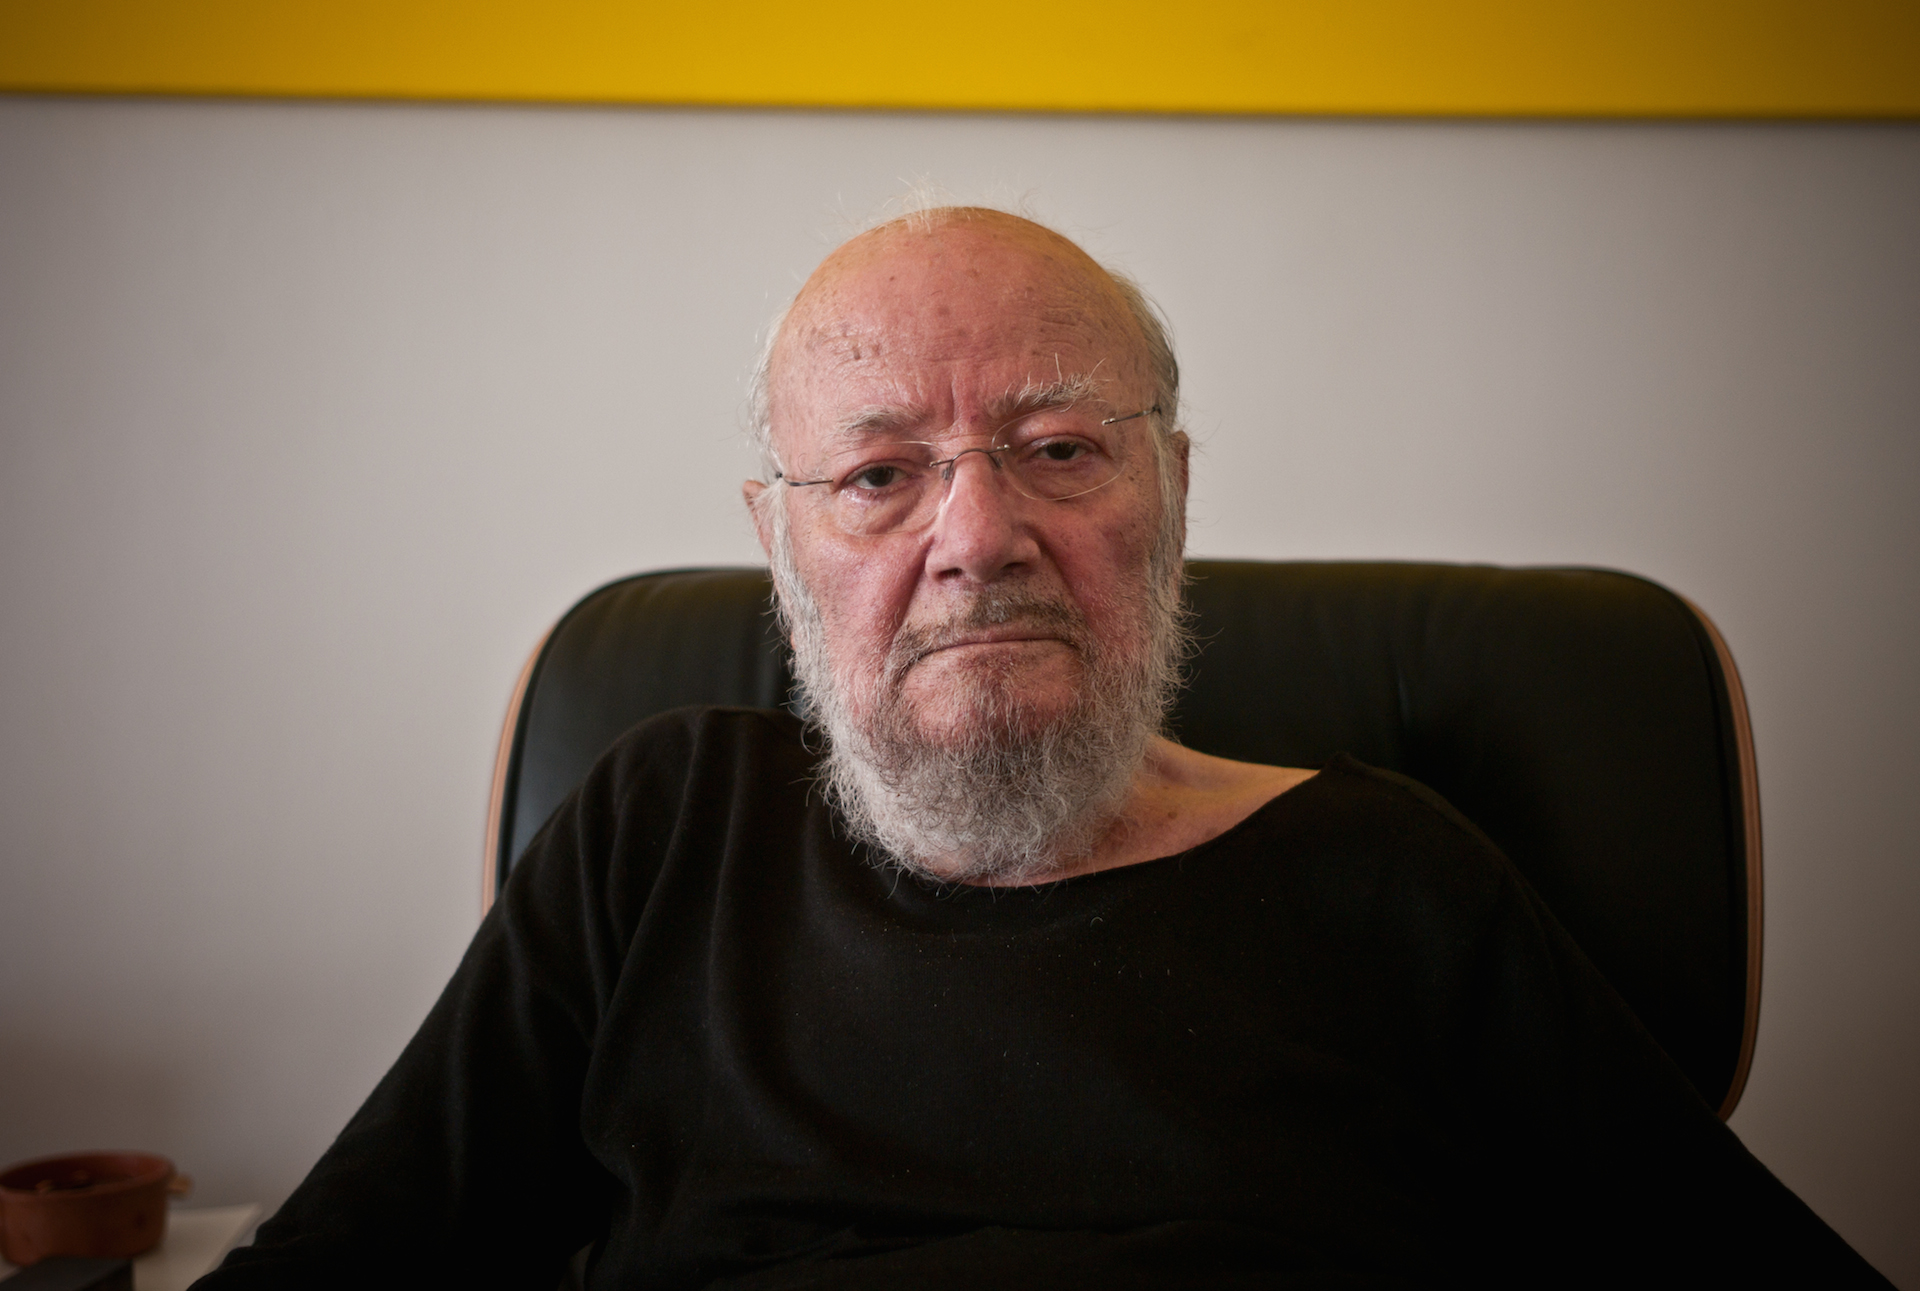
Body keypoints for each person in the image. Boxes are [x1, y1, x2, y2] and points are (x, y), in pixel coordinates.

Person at [197, 207, 1889, 1288]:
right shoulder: (661, 834)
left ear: (1172, 495)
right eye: (880, 476)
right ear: (780, 546)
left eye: (1062, 447)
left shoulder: (1391, 879)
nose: (978, 537)